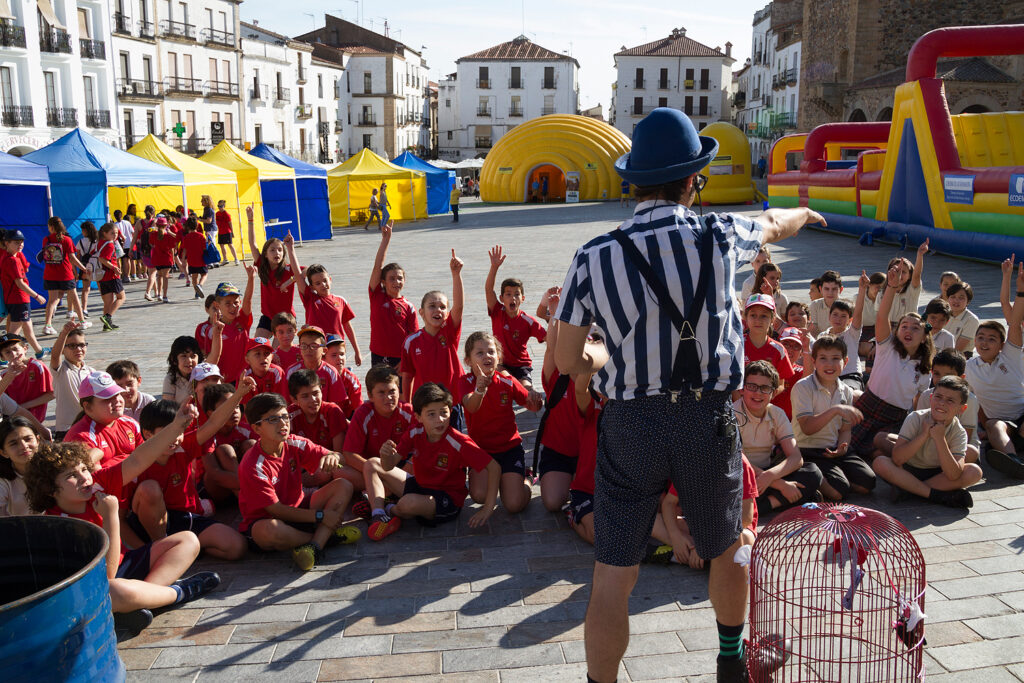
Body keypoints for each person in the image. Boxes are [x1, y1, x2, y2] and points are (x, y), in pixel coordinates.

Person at [552, 108, 822, 681]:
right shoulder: (722, 233)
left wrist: (602, 355)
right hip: (707, 419)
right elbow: (775, 223)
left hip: (630, 424)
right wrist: (805, 210)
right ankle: (729, 660)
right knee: (726, 546)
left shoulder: (595, 255)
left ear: (633, 183)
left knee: (612, 573)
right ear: (693, 180)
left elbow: (568, 360)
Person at [25, 403, 219, 641]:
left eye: (83, 469)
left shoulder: (96, 484)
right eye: (71, 476)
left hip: (127, 565)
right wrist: (110, 516)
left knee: (188, 540)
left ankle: (143, 601)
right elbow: (107, 574)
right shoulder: (56, 525)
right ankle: (177, 592)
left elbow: (139, 459)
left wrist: (178, 424)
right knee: (115, 590)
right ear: (50, 490)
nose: (84, 477)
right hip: (104, 583)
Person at [238, 392, 361, 571]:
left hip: (300, 509)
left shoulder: (294, 443)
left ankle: (314, 546)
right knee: (269, 531)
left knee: (344, 484)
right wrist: (321, 516)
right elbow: (277, 510)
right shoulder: (252, 465)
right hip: (269, 521)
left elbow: (337, 455)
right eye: (273, 419)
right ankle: (326, 538)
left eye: (285, 416)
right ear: (257, 429)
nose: (283, 423)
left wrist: (333, 456)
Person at [364, 382, 500, 540]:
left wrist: (488, 508)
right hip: (421, 486)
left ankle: (390, 509)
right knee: (372, 463)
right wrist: (386, 455)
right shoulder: (415, 431)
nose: (439, 420)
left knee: (407, 503)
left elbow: (494, 467)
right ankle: (378, 515)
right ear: (418, 417)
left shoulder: (458, 441)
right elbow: (388, 466)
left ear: (451, 411)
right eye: (431, 414)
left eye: (444, 412)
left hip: (447, 499)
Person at [849, 264, 933, 459]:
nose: (908, 331)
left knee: (880, 446)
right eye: (904, 326)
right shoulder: (887, 347)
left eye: (915, 328)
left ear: (923, 337)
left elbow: (918, 403)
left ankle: (912, 460)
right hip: (869, 406)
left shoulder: (924, 368)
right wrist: (891, 287)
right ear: (897, 331)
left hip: (896, 417)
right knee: (850, 445)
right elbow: (882, 316)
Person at [459, 331, 542, 514]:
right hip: (481, 450)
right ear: (468, 361)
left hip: (509, 448)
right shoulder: (465, 382)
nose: (487, 356)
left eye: (491, 352)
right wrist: (480, 389)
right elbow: (471, 406)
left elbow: (531, 405)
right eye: (479, 353)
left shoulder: (506, 380)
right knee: (479, 496)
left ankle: (526, 479)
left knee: (514, 505)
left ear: (498, 357)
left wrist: (536, 401)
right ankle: (499, 481)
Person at [872, 376, 982, 508]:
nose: (942, 403)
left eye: (950, 400)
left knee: (974, 472)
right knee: (880, 462)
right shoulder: (915, 418)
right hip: (909, 469)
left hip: (938, 474)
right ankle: (936, 495)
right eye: (938, 397)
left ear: (962, 409)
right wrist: (925, 434)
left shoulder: (959, 431)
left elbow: (953, 475)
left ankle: (909, 489)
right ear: (931, 398)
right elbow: (897, 459)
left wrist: (939, 438)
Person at [792, 335, 874, 501]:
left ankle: (825, 478)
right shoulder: (803, 387)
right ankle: (812, 478)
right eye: (823, 358)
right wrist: (835, 409)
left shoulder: (846, 390)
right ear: (814, 361)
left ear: (846, 361)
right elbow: (807, 428)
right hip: (808, 450)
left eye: (836, 358)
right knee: (838, 492)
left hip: (833, 449)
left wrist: (842, 448)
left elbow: (845, 429)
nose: (829, 364)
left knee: (868, 483)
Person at [734, 361, 822, 513]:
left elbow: (796, 458)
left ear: (774, 393)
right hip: (741, 475)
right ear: (742, 389)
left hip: (767, 474)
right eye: (752, 386)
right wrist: (780, 484)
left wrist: (769, 476)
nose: (758, 393)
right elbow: (735, 460)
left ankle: (763, 506)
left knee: (813, 472)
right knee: (727, 493)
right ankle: (784, 500)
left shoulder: (777, 414)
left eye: (765, 388)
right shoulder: (731, 414)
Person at [966, 262, 1024, 479]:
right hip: (1003, 426)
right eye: (980, 338)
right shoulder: (970, 367)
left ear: (1002, 345)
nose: (985, 342)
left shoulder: (1011, 356)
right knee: (994, 425)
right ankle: (1013, 460)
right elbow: (973, 401)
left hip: (1022, 418)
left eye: (991, 339)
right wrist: (981, 427)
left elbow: (1014, 322)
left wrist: (1020, 289)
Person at [400, 250, 465, 427]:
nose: (438, 310)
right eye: (432, 306)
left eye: (443, 307)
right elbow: (407, 376)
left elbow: (458, 307)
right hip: (425, 404)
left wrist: (456, 275)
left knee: (453, 444)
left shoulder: (449, 332)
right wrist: (407, 404)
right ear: (421, 312)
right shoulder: (411, 342)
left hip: (451, 403)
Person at [285, 232, 362, 362]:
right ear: (312, 287)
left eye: (325, 281)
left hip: (336, 350)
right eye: (318, 283)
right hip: (316, 350)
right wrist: (290, 248)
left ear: (330, 279)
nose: (323, 285)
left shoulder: (341, 301)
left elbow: (347, 327)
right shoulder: (310, 299)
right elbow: (298, 275)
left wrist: (357, 351)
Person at [484, 245, 547, 388]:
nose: (513, 298)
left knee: (527, 391)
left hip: (521, 367)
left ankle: (523, 388)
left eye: (517, 294)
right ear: (501, 298)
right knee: (507, 383)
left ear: (522, 298)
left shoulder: (528, 321)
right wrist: (494, 267)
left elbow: (547, 338)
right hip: (502, 364)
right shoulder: (497, 312)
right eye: (508, 294)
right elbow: (488, 290)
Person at [367, 224, 418, 370]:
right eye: (392, 278)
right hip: (378, 355)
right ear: (383, 281)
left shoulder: (409, 307)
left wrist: (405, 361)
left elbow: (414, 338)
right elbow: (377, 266)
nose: (397, 282)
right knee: (379, 391)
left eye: (400, 278)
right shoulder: (376, 295)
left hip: (400, 358)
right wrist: (386, 240)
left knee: (401, 393)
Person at [247, 206, 296, 338]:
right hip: (268, 317)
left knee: (278, 354)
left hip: (286, 318)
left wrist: (289, 281)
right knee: (258, 345)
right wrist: (250, 220)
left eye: (280, 250)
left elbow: (306, 271)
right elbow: (253, 244)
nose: (277, 253)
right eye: (272, 250)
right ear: (266, 255)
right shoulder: (263, 266)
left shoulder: (288, 269)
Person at [2, 230, 48, 356]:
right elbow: (20, 283)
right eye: (16, 242)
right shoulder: (13, 260)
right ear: (7, 243)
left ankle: (39, 351)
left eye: (21, 242)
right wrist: (37, 296)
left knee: (28, 326)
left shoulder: (6, 257)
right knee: (13, 333)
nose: (20, 245)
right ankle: (4, 357)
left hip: (13, 299)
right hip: (19, 299)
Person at [41, 217, 90, 334]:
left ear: (51, 227)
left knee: (52, 300)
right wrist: (83, 268)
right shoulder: (67, 240)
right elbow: (72, 258)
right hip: (65, 273)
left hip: (50, 274)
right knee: (74, 297)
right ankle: (82, 322)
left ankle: (47, 325)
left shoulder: (46, 239)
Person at [0, 333, 54, 422]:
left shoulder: (37, 366)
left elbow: (51, 394)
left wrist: (21, 407)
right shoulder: (4, 375)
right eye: (7, 352)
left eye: (15, 349)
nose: (13, 353)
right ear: (2, 357)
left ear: (25, 348)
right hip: (13, 420)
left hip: (34, 419)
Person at [0, 416, 42, 516]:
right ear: (4, 452)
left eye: (28, 439)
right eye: (14, 443)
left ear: (38, 440)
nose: (24, 446)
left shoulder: (56, 468)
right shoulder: (3, 481)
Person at [96, 222, 127, 330]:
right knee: (122, 297)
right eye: (112, 233)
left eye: (116, 233)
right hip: (112, 275)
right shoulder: (109, 244)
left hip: (102, 277)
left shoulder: (99, 243)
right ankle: (107, 317)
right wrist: (114, 268)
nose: (115, 235)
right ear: (104, 233)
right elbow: (102, 259)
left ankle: (106, 325)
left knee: (108, 302)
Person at [75, 221, 100, 318]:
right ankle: (107, 306)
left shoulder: (81, 241)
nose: (82, 232)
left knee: (85, 289)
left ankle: (84, 309)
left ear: (86, 230)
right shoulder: (98, 241)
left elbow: (78, 255)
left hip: (85, 266)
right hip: (96, 266)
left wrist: (78, 269)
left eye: (82, 230)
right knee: (101, 287)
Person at [215, 200, 238, 265]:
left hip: (227, 232)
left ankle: (236, 259)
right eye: (218, 206)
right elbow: (217, 223)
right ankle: (225, 259)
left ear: (224, 206)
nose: (219, 207)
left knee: (230, 245)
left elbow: (230, 224)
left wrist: (232, 232)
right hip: (220, 232)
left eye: (221, 206)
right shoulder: (217, 214)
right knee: (222, 245)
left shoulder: (227, 214)